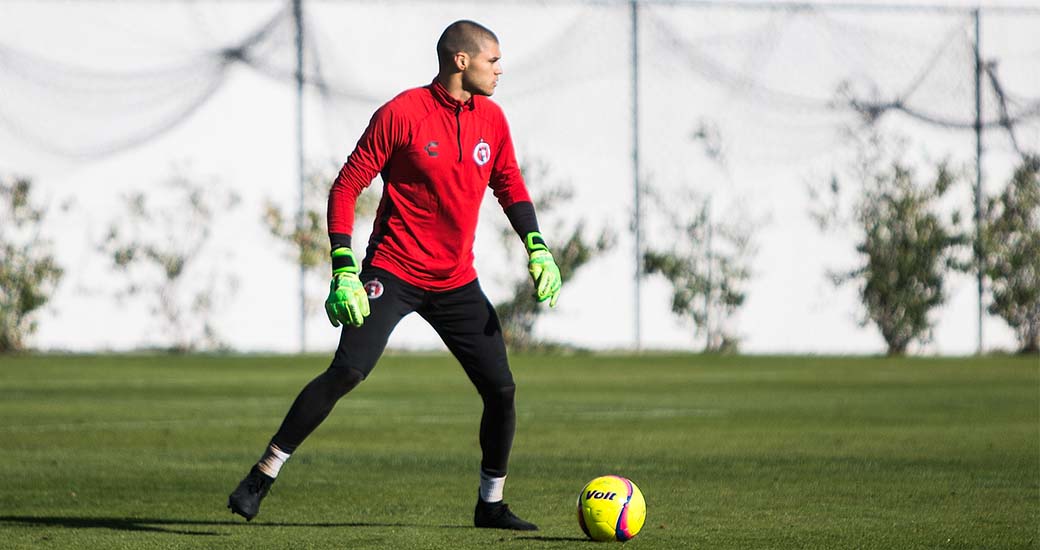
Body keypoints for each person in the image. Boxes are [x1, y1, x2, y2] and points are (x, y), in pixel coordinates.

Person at [227, 20, 562, 531]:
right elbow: (345, 188)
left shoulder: (491, 119)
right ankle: (261, 474)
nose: (501, 69)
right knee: (348, 371)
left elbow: (509, 183)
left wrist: (537, 247)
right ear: (461, 61)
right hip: (393, 270)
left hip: (455, 281)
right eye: (493, 60)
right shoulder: (402, 113)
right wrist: (343, 268)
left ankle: (490, 504)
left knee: (501, 390)